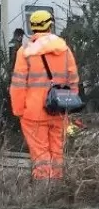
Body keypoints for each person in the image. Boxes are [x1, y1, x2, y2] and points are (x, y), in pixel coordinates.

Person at [10, 10, 79, 181]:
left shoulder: (25, 51)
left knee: (40, 152)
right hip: (58, 109)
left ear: (31, 27)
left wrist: (19, 110)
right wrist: (67, 104)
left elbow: (18, 84)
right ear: (51, 24)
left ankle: (43, 188)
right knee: (57, 151)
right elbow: (73, 79)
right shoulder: (64, 49)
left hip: (33, 112)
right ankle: (57, 185)